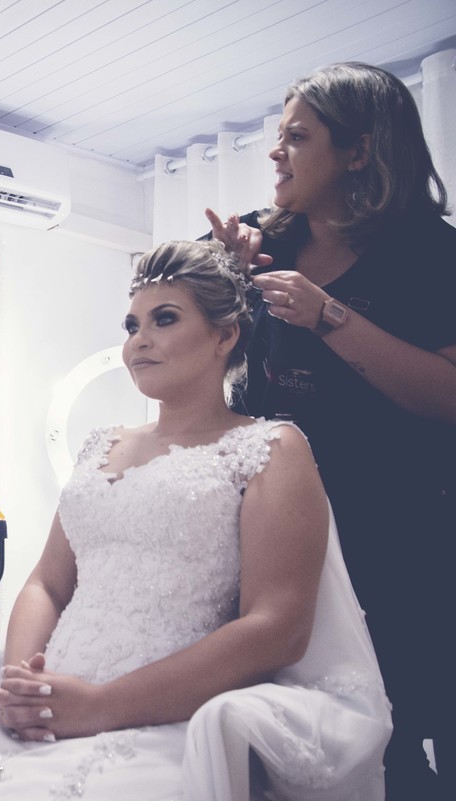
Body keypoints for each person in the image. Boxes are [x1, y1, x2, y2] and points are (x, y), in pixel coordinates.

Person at [0, 239, 391, 800]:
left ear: (224, 336)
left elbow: (277, 627)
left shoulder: (270, 448)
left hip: (166, 717)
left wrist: (100, 706)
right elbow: (47, 583)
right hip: (49, 704)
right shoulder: (99, 445)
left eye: (164, 319)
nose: (139, 339)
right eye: (132, 324)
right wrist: (24, 684)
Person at [205, 61, 456, 798]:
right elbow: (162, 329)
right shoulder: (256, 238)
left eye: (297, 136)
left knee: (390, 736)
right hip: (272, 528)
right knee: (276, 728)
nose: (275, 151)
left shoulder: (432, 253)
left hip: (397, 536)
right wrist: (219, 281)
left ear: (359, 151)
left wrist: (329, 317)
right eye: (278, 136)